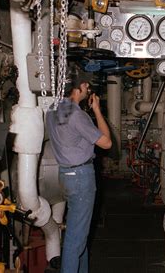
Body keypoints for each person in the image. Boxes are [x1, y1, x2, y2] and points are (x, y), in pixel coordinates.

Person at [46, 77, 112, 273]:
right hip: (81, 177)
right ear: (77, 88)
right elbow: (106, 143)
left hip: (66, 174)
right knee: (75, 239)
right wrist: (98, 111)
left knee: (79, 234)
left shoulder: (52, 110)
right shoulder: (77, 115)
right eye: (86, 85)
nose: (88, 89)